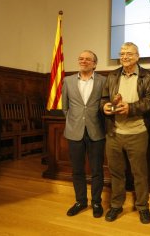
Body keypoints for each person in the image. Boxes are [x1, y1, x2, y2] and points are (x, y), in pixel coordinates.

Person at [101, 42, 150, 224]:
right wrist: (106, 107)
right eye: (122, 53)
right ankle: (116, 206)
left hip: (137, 132)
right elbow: (103, 99)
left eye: (129, 54)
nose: (125, 57)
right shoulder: (112, 76)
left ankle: (143, 207)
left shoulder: (147, 76)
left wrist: (131, 108)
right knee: (116, 172)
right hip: (114, 133)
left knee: (139, 173)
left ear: (137, 56)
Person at [62, 50, 106, 218]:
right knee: (77, 170)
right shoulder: (68, 80)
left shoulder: (103, 80)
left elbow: (105, 104)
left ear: (95, 63)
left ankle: (96, 202)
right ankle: (81, 201)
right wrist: (75, 121)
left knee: (97, 170)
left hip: (96, 131)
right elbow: (65, 107)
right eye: (81, 58)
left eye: (88, 59)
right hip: (74, 132)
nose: (84, 61)